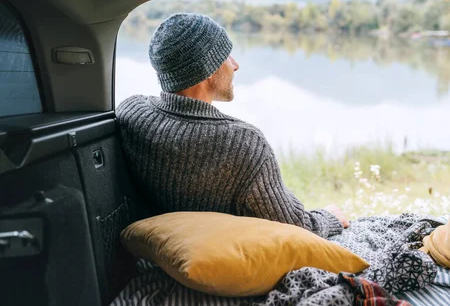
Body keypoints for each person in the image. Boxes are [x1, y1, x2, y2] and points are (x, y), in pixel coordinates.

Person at [117, 13, 349, 238]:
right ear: (207, 69)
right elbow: (296, 227)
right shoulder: (242, 143)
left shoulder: (132, 111)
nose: (235, 65)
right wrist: (329, 217)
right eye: (227, 56)